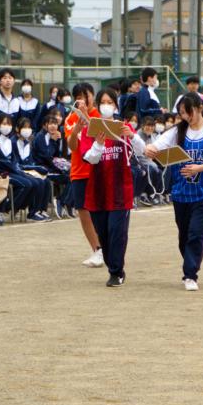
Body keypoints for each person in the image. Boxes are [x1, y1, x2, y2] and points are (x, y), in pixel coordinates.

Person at [145, 94, 203, 290]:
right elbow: (158, 144)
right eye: (181, 113)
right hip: (181, 193)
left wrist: (198, 168)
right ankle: (190, 264)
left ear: (200, 108)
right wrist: (150, 149)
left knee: (196, 233)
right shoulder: (177, 131)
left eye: (188, 112)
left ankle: (190, 274)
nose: (185, 117)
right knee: (184, 236)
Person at [78, 87, 146, 286]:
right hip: (98, 191)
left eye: (110, 102)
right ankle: (112, 264)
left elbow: (142, 151)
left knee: (117, 232)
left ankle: (116, 272)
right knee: (104, 233)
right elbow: (89, 158)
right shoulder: (91, 129)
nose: (106, 106)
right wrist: (99, 144)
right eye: (103, 103)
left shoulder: (123, 127)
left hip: (120, 190)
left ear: (116, 106)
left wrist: (132, 136)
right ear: (97, 106)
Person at [64, 82, 104, 266]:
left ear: (92, 96)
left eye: (86, 96)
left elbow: (101, 137)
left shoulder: (99, 115)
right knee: (83, 211)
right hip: (79, 170)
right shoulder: (71, 119)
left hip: (98, 169)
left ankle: (105, 246)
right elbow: (72, 146)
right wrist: (76, 131)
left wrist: (86, 116)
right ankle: (96, 249)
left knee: (100, 210)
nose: (83, 100)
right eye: (79, 97)